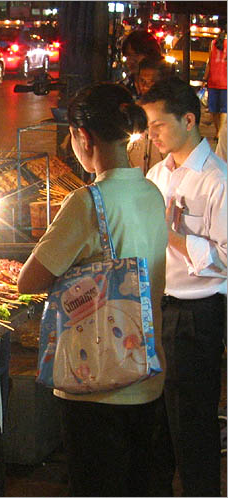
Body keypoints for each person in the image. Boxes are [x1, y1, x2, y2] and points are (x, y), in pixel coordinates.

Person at [17, 83, 168, 496]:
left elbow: (28, 280)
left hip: (96, 383)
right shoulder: (152, 193)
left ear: (84, 137)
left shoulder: (87, 203)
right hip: (147, 372)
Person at [140, 76, 227, 497]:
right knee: (158, 425)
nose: (150, 134)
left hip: (196, 316)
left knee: (192, 426)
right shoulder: (158, 172)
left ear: (189, 120)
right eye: (147, 124)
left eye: (158, 124)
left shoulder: (216, 179)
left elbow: (226, 259)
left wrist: (173, 235)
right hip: (157, 306)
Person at [127, 55, 171, 173]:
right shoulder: (133, 111)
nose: (145, 86)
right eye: (142, 81)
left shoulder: (171, 113)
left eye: (151, 82)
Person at [119, 30, 162, 96]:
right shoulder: (123, 88)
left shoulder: (163, 88)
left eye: (136, 55)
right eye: (128, 55)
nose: (131, 60)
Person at [203, 29, 227, 139]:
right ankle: (220, 133)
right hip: (225, 82)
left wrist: (205, 78)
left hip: (213, 80)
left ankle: (218, 131)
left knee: (214, 109)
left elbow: (209, 62)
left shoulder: (213, 44)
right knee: (224, 109)